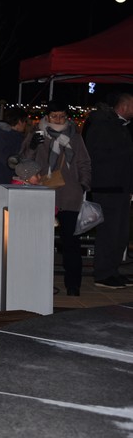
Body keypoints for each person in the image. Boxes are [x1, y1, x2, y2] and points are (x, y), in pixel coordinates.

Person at [21, 100, 92, 296]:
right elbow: (23, 162)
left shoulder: (75, 137)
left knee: (71, 242)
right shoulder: (37, 134)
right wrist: (32, 147)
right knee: (39, 241)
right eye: (54, 116)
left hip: (69, 195)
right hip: (43, 194)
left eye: (62, 116)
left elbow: (84, 163)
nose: (58, 120)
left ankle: (73, 285)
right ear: (47, 116)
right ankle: (37, 281)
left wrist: (83, 185)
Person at [83, 91, 133, 290]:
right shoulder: (103, 125)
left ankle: (112, 271)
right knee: (109, 233)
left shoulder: (120, 126)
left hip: (120, 188)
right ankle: (103, 273)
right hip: (107, 188)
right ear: (125, 106)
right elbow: (94, 155)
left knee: (120, 234)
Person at [0, 106, 29, 277]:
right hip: (5, 192)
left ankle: (2, 271)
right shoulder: (6, 137)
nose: (25, 126)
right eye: (25, 122)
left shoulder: (2, 136)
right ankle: (0, 272)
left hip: (4, 191)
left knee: (5, 235)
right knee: (3, 236)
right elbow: (11, 163)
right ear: (19, 122)